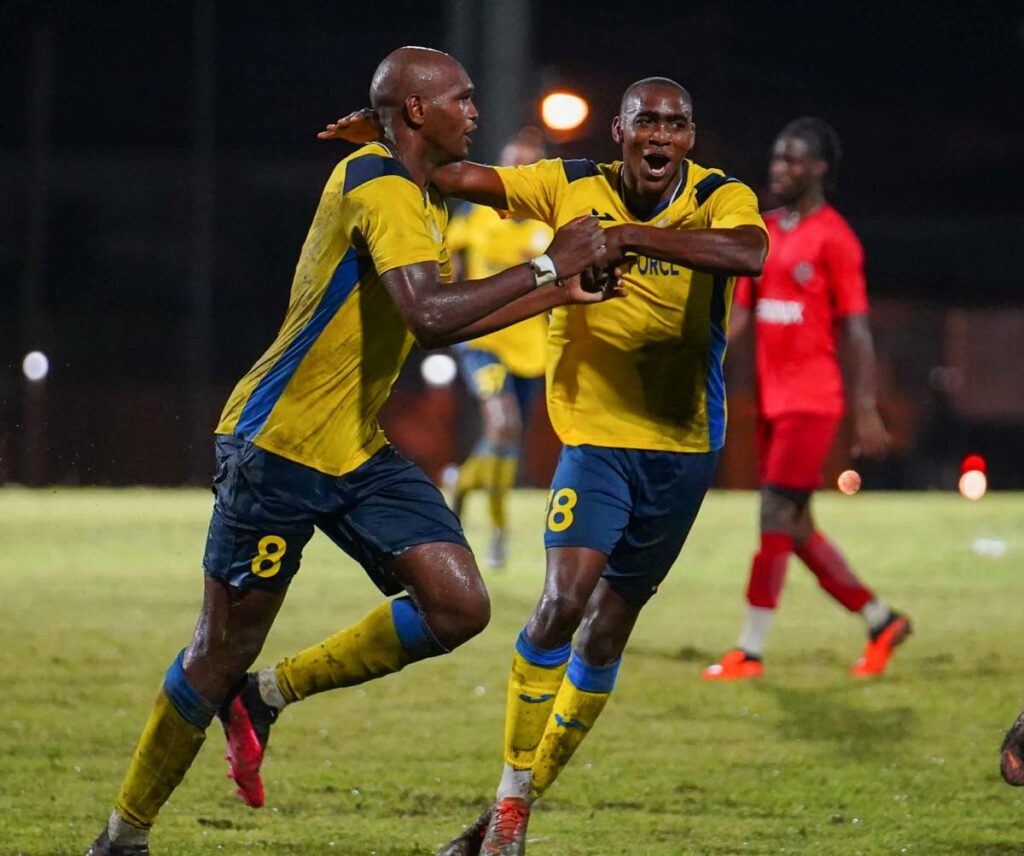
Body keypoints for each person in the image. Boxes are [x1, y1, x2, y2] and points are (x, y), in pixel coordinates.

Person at [84, 46, 619, 856]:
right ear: (415, 112)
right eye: (461, 100)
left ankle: (264, 697)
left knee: (459, 605)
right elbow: (429, 315)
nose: (475, 113)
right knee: (217, 648)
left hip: (355, 449)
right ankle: (123, 836)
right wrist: (547, 261)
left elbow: (442, 314)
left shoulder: (415, 188)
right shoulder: (380, 187)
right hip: (278, 447)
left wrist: (554, 291)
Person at [321, 75, 768, 856]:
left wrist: (629, 238)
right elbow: (459, 175)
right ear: (619, 134)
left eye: (677, 125)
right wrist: (399, 134)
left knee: (606, 637)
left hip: (685, 448)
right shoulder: (567, 184)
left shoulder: (721, 195)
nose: (661, 137)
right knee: (562, 603)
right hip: (594, 443)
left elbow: (750, 253)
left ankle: (504, 816)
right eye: (646, 122)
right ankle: (511, 810)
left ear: (691, 139)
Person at [702, 117, 910, 683]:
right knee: (794, 527)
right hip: (771, 401)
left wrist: (865, 408)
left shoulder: (836, 238)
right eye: (775, 158)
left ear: (820, 168)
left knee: (772, 514)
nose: (778, 168)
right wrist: (702, 367)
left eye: (791, 159)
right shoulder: (765, 231)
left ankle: (749, 648)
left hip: (813, 403)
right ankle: (880, 618)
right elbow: (741, 313)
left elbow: (858, 328)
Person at [445, 128, 553, 569]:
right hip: (482, 340)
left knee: (505, 443)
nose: (518, 175)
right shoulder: (473, 215)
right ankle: (497, 535)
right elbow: (448, 270)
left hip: (531, 348)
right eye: (512, 167)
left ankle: (462, 488)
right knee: (503, 425)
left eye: (528, 168)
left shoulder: (549, 227)